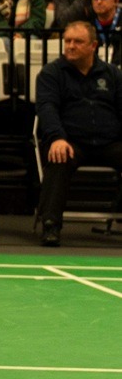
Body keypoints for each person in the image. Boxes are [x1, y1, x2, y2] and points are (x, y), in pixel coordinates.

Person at [35, 20, 122, 246]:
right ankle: (51, 225)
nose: (71, 46)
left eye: (78, 41)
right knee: (59, 157)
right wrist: (57, 138)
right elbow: (47, 108)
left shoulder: (112, 74)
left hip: (108, 142)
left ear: (93, 45)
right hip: (71, 141)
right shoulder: (51, 73)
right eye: (68, 41)